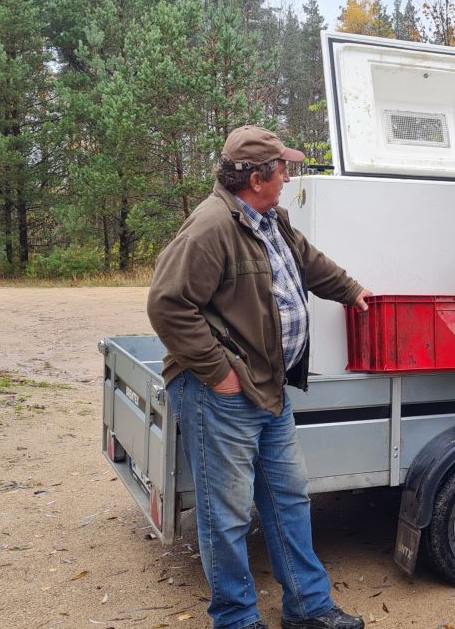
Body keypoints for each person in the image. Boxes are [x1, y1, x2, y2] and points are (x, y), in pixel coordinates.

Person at [147, 125, 368, 629]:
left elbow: (309, 264)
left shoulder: (271, 218)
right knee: (226, 517)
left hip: (268, 385)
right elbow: (167, 305)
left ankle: (307, 609)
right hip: (220, 392)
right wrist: (218, 370)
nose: (288, 176)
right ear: (254, 177)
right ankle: (236, 619)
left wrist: (353, 291)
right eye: (282, 168)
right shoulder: (211, 226)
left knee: (289, 498)